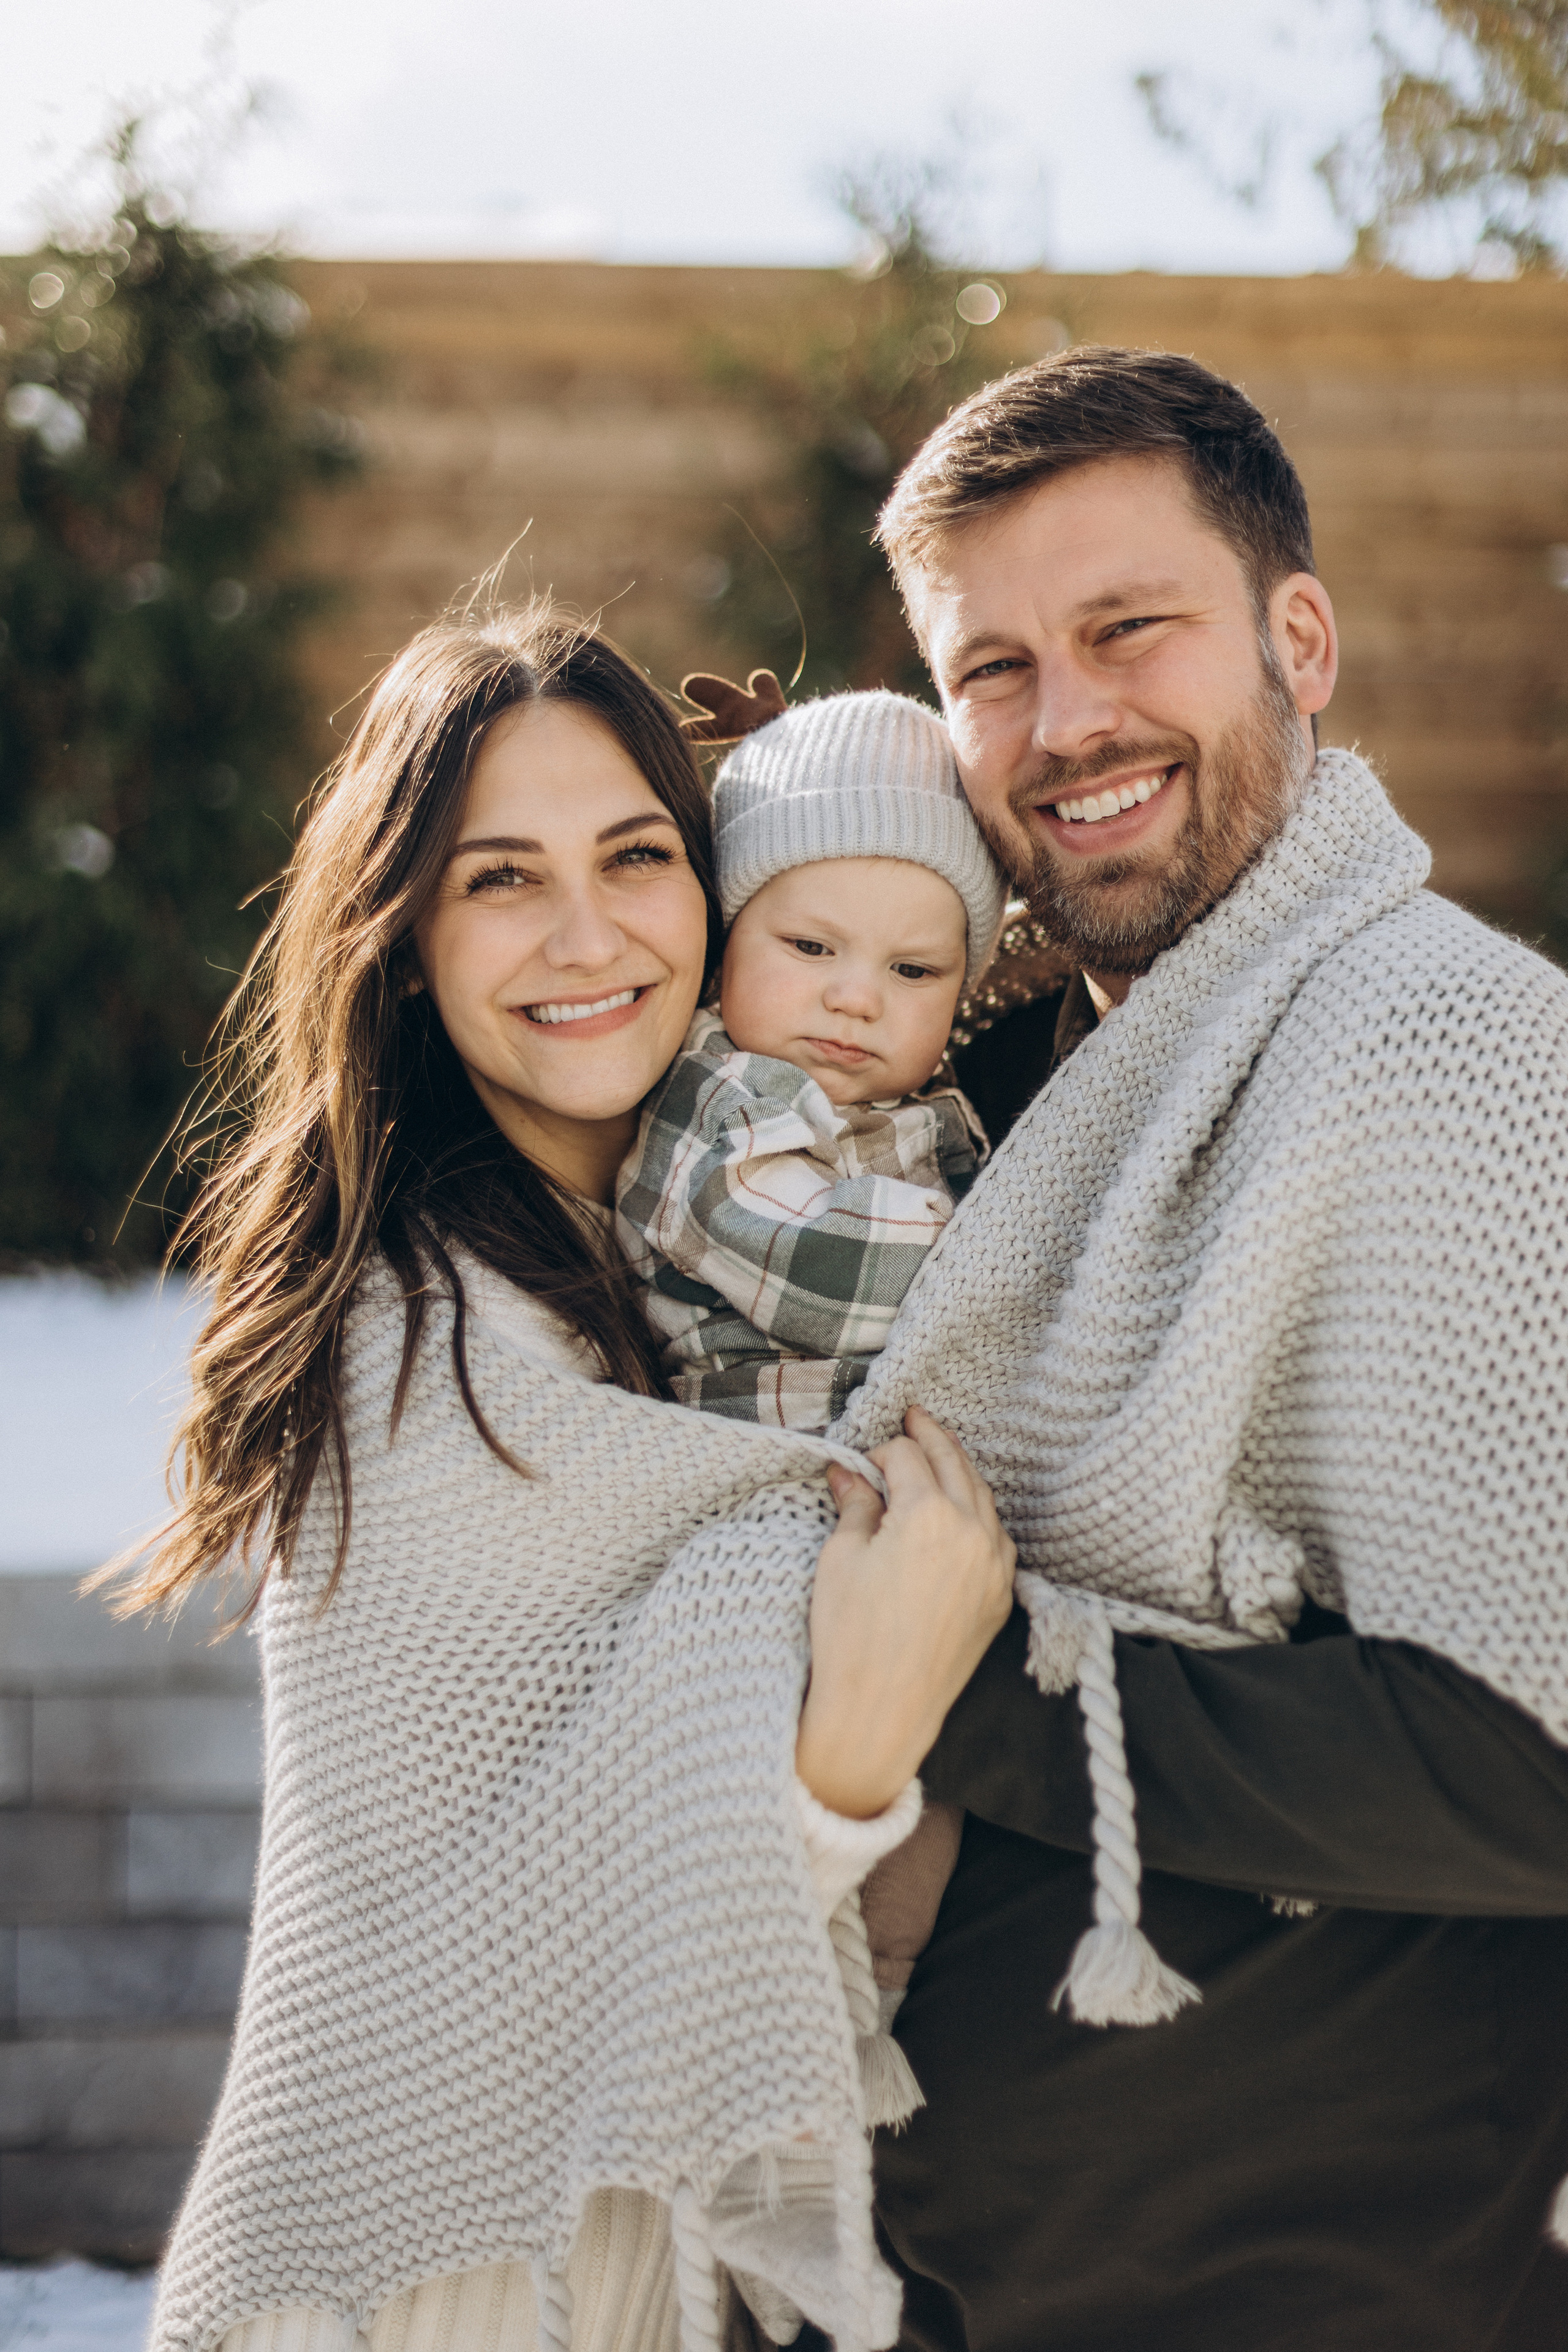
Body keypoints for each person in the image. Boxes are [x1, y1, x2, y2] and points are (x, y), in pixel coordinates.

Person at [123, 606, 1016, 2352]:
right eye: (501, 879)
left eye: (634, 856)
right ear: (404, 942)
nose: (590, 934)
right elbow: (512, 1956)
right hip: (443, 2291)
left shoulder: (707, 1258)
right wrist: (849, 1740)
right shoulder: (424, 1353)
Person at [810, 347, 1568, 2352]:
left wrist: (946, 1683)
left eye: (1128, 628)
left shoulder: (1461, 1058)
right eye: (993, 669)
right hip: (925, 2275)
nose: (1067, 721)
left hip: (1304, 2289)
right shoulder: (983, 1097)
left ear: (1298, 642)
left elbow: (1538, 1747)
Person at [616, 687, 1004, 1433]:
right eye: (811, 947)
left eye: (912, 971)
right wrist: (1036, 1240)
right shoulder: (722, 1097)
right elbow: (827, 1270)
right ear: (724, 943)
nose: (856, 999)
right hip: (776, 1452)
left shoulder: (916, 1096)